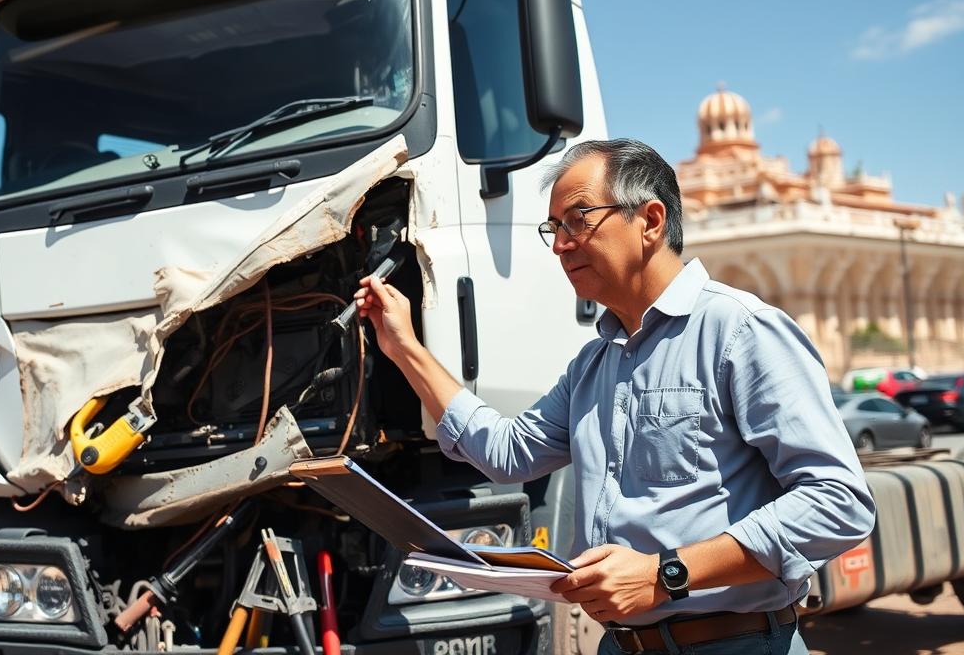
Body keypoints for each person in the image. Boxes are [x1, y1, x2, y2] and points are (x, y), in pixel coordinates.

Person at [354, 139, 874, 655]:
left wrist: (665, 574)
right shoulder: (594, 364)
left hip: (732, 643)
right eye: (554, 228)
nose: (560, 244)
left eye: (579, 219)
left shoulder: (740, 331)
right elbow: (508, 452)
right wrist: (404, 347)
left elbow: (839, 503)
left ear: (649, 220)